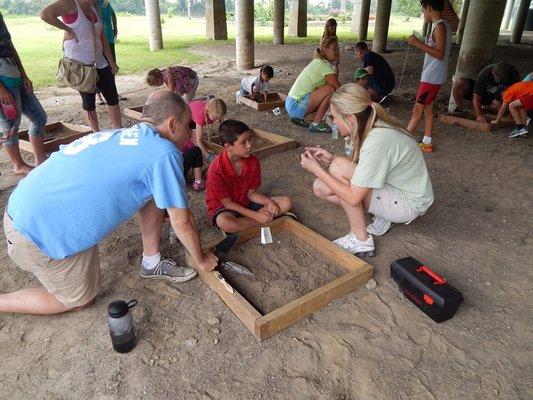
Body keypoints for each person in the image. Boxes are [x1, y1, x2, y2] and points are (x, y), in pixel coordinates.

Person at [0, 91, 218, 315]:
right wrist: (200, 259)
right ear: (172, 124)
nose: (190, 132)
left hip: (24, 208)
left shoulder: (124, 135)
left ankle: (151, 262)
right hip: (35, 235)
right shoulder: (163, 152)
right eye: (187, 125)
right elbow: (182, 222)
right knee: (79, 299)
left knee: (151, 187)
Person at [300, 84, 434, 256]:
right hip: (397, 189)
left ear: (349, 117)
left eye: (334, 117)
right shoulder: (373, 125)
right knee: (321, 186)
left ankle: (360, 239)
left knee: (338, 169)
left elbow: (353, 197)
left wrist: (317, 169)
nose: (333, 122)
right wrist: (331, 158)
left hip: (409, 203)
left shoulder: (377, 141)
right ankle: (384, 215)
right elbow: (367, 169)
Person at [41, 0, 122, 133]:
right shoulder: (70, 4)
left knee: (112, 97)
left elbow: (102, 36)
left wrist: (111, 62)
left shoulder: (94, 5)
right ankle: (96, 134)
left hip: (99, 60)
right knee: (89, 102)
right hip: (80, 63)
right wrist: (67, 29)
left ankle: (119, 131)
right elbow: (45, 14)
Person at [206, 120, 293, 233]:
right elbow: (228, 203)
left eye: (249, 140)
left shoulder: (253, 162)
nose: (249, 145)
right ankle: (261, 219)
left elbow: (251, 193)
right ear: (228, 147)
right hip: (226, 208)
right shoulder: (216, 169)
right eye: (243, 142)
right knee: (226, 223)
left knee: (286, 202)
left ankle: (249, 222)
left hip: (245, 201)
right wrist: (256, 216)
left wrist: (268, 202)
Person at [0, 12, 47, 174]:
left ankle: (40, 160)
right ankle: (18, 165)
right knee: (10, 125)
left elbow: (10, 45)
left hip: (13, 72)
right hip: (3, 79)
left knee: (39, 117)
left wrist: (24, 74)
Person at [406, 0, 451, 153]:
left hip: (432, 78)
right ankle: (427, 141)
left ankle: (402, 142)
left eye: (423, 9)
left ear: (428, 7)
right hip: (432, 76)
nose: (423, 13)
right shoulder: (441, 24)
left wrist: (417, 43)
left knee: (417, 110)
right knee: (428, 109)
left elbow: (439, 53)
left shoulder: (439, 26)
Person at [286, 37, 341, 134]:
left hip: (291, 103)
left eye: (338, 48)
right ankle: (315, 124)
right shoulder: (324, 66)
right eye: (334, 48)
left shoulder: (319, 62)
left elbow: (333, 79)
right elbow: (337, 88)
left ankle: (312, 121)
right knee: (330, 89)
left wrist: (336, 65)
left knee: (329, 90)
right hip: (296, 105)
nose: (337, 51)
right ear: (326, 49)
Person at [451, 62, 520, 120]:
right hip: (484, 93)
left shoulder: (514, 75)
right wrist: (479, 115)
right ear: (493, 72)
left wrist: (511, 115)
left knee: (499, 104)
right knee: (459, 83)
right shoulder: (485, 74)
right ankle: (459, 109)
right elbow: (476, 97)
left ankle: (492, 109)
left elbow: (515, 94)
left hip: (498, 96)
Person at [96, 0, 125, 105]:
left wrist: (115, 27)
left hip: (109, 39)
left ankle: (114, 92)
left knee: (112, 67)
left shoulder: (106, 3)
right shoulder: (92, 3)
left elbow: (113, 14)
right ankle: (98, 96)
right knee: (98, 69)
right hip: (98, 41)